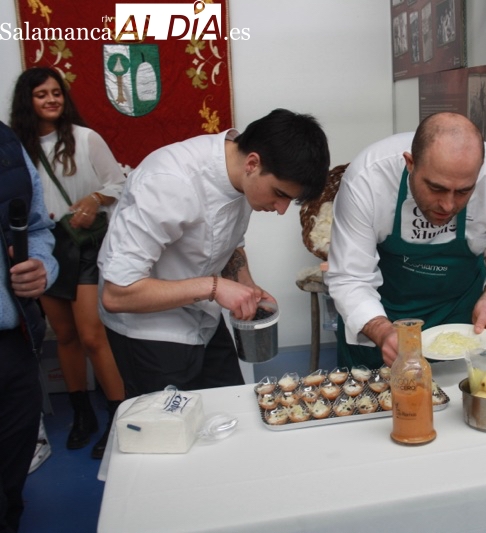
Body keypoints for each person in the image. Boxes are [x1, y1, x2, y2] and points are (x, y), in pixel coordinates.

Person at [98, 108, 330, 398]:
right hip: (149, 328)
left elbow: (230, 242)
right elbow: (117, 294)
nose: (281, 209)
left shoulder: (242, 177)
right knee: (172, 432)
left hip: (202, 316)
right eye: (280, 194)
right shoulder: (169, 182)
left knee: (232, 408)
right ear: (253, 163)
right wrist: (215, 287)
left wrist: (246, 285)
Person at [326, 112, 486, 369]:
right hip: (383, 311)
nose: (448, 205)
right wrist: (382, 331)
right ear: (410, 163)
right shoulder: (368, 179)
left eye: (464, 191)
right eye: (436, 188)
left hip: (459, 313)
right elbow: (350, 276)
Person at [11, 67, 127, 459]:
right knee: (64, 337)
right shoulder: (16, 147)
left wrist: (95, 200)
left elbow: (121, 182)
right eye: (42, 94)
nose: (51, 100)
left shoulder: (85, 137)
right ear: (27, 101)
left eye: (57, 93)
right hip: (44, 246)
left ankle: (118, 417)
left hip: (86, 244)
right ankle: (82, 414)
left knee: (93, 335)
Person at [0, 119, 59, 533]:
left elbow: (36, 228)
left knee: (12, 469)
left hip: (11, 341)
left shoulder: (4, 144)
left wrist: (42, 267)